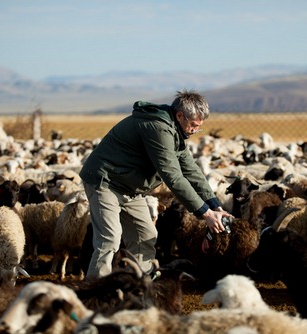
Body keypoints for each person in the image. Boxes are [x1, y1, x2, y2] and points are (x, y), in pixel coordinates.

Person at [79, 89, 232, 279]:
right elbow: (172, 175)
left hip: (130, 188)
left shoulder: (176, 132)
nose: (194, 130)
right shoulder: (157, 128)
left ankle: (137, 285)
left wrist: (215, 204)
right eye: (193, 125)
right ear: (179, 115)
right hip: (106, 182)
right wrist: (205, 213)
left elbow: (191, 170)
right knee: (109, 239)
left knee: (145, 236)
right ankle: (96, 292)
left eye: (198, 127)